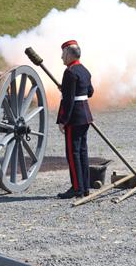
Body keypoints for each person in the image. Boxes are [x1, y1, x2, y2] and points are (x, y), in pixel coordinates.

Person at [56, 40, 94, 199]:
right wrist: (66, 88)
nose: (61, 57)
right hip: (85, 116)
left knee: (73, 154)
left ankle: (77, 188)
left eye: (63, 54)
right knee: (83, 153)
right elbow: (90, 92)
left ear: (68, 54)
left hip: (75, 118)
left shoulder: (70, 72)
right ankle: (85, 187)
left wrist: (63, 120)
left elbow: (69, 100)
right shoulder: (84, 70)